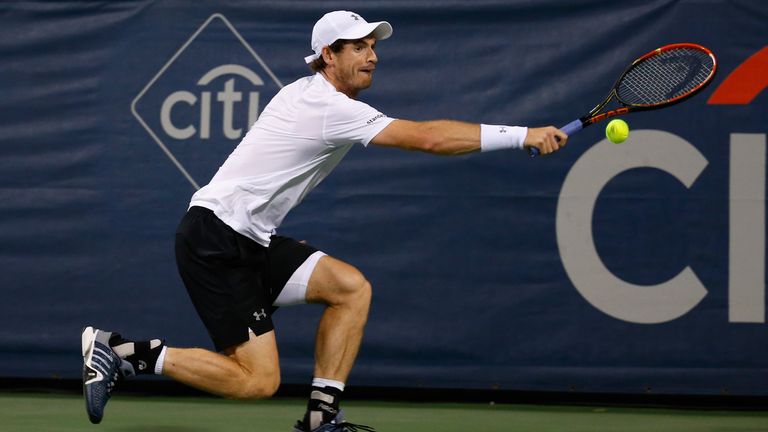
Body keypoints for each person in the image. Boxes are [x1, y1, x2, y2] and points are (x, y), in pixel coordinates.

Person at [81, 10, 567, 432]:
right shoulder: (325, 106)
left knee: (349, 288)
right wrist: (522, 134)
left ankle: (321, 418)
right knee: (257, 382)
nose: (372, 56)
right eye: (358, 47)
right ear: (327, 56)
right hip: (217, 239)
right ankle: (121, 353)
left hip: (248, 238)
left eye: (373, 46)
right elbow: (429, 138)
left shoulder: (318, 97)